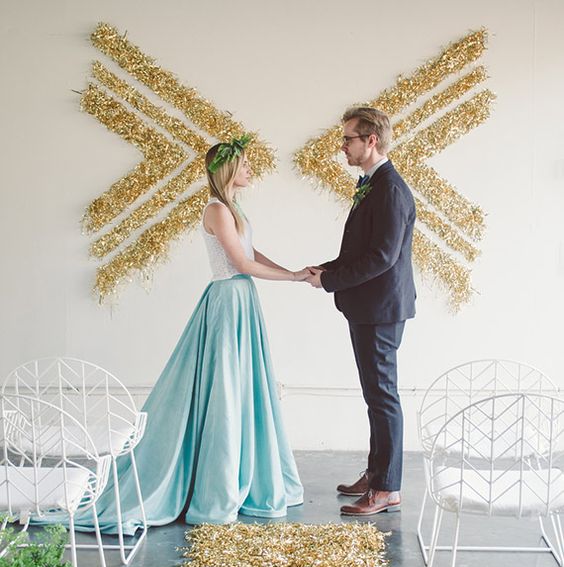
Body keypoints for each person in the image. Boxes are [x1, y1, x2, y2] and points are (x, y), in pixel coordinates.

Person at [77, 135, 306, 532]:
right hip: (228, 301)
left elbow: (251, 253)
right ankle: (216, 484)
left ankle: (238, 473)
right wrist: (291, 277)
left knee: (240, 386)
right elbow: (240, 263)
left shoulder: (233, 208)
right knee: (224, 389)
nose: (252, 170)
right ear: (229, 169)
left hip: (241, 301)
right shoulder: (217, 209)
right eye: (246, 164)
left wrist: (296, 271)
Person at [306, 107, 416, 516]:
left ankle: (387, 488)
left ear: (371, 140)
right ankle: (377, 473)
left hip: (381, 309)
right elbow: (361, 251)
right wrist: (326, 269)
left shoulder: (388, 189)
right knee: (375, 395)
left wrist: (331, 281)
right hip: (370, 306)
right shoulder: (373, 183)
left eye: (348, 139)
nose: (343, 146)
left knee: (383, 396)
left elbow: (383, 258)